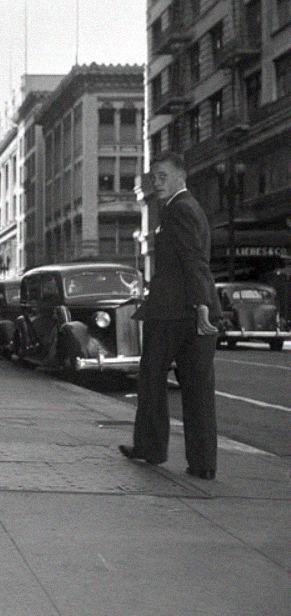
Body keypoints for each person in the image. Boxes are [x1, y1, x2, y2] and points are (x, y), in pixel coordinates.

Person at [119, 152, 221, 480]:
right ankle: (203, 465)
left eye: (162, 176)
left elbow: (193, 259)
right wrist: (203, 304)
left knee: (151, 378)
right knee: (199, 389)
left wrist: (201, 303)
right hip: (192, 311)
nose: (156, 183)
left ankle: (150, 448)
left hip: (173, 313)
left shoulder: (178, 209)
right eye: (153, 177)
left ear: (180, 175)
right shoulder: (190, 208)